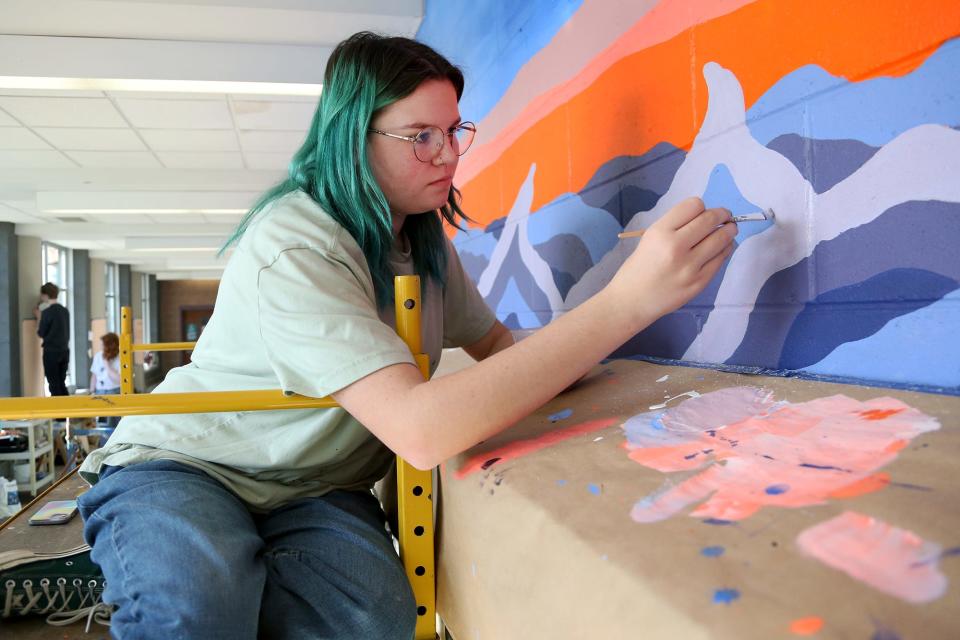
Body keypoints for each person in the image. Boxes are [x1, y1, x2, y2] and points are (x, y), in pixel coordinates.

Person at [77, 32, 737, 639]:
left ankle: (237, 574)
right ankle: (183, 567)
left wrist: (629, 374)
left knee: (374, 620)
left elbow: (504, 354)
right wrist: (627, 302)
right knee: (195, 609)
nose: (448, 153)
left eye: (454, 130)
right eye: (421, 135)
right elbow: (420, 430)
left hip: (312, 483)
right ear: (352, 137)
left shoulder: (423, 245)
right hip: (193, 464)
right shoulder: (295, 243)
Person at [35, 282, 70, 397]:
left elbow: (41, 333)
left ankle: (59, 414)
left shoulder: (46, 313)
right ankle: (68, 410)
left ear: (45, 295)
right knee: (61, 383)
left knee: (53, 384)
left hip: (51, 352)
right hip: (64, 350)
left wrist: (39, 317)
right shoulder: (65, 311)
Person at [89, 332, 122, 430]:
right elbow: (94, 375)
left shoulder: (120, 357)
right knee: (103, 424)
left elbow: (119, 379)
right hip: (100, 392)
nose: (101, 347)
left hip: (114, 391)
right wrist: (91, 391)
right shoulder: (98, 356)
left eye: (103, 345)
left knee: (117, 424)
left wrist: (107, 365)